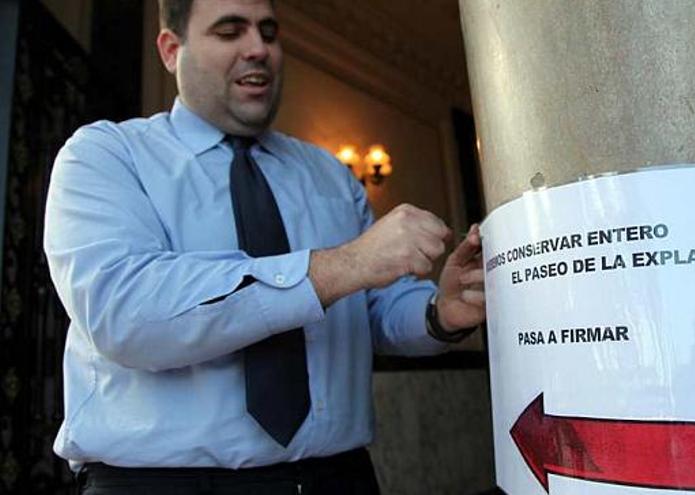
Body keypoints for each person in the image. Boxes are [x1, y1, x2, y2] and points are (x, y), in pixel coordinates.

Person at [42, 0, 486, 493]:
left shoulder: (330, 174)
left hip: (337, 478)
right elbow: (124, 312)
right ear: (171, 50)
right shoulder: (106, 156)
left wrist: (439, 313)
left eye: (269, 32)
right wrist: (345, 265)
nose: (259, 49)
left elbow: (373, 312)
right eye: (230, 31)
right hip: (158, 483)